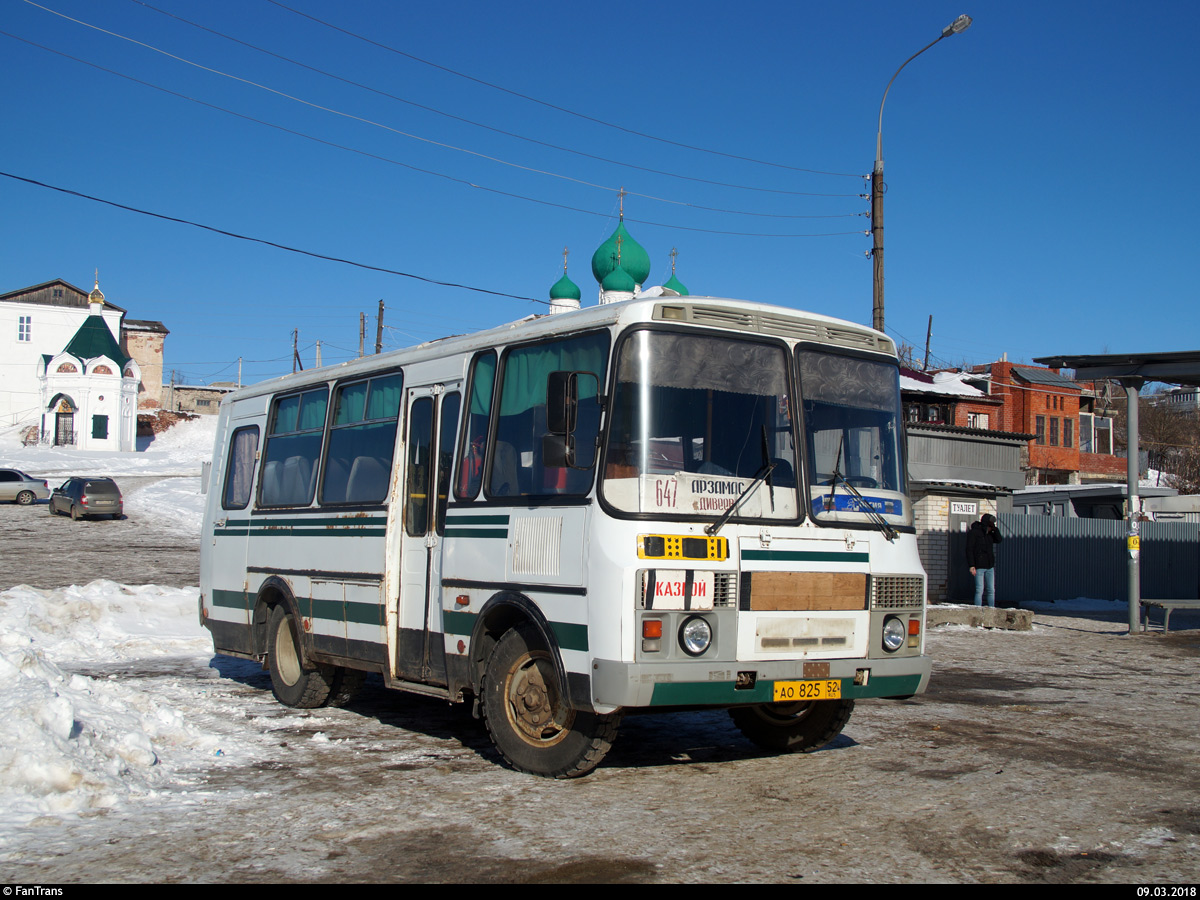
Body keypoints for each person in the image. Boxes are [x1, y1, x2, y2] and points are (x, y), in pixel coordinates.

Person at [966, 513, 1002, 607]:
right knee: (979, 589)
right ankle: (977, 609)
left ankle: (991, 608)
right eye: (990, 527)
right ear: (986, 525)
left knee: (991, 590)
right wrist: (971, 565)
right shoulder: (974, 533)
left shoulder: (990, 534)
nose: (991, 529)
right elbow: (969, 549)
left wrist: (995, 530)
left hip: (989, 565)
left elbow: (999, 540)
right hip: (978, 566)